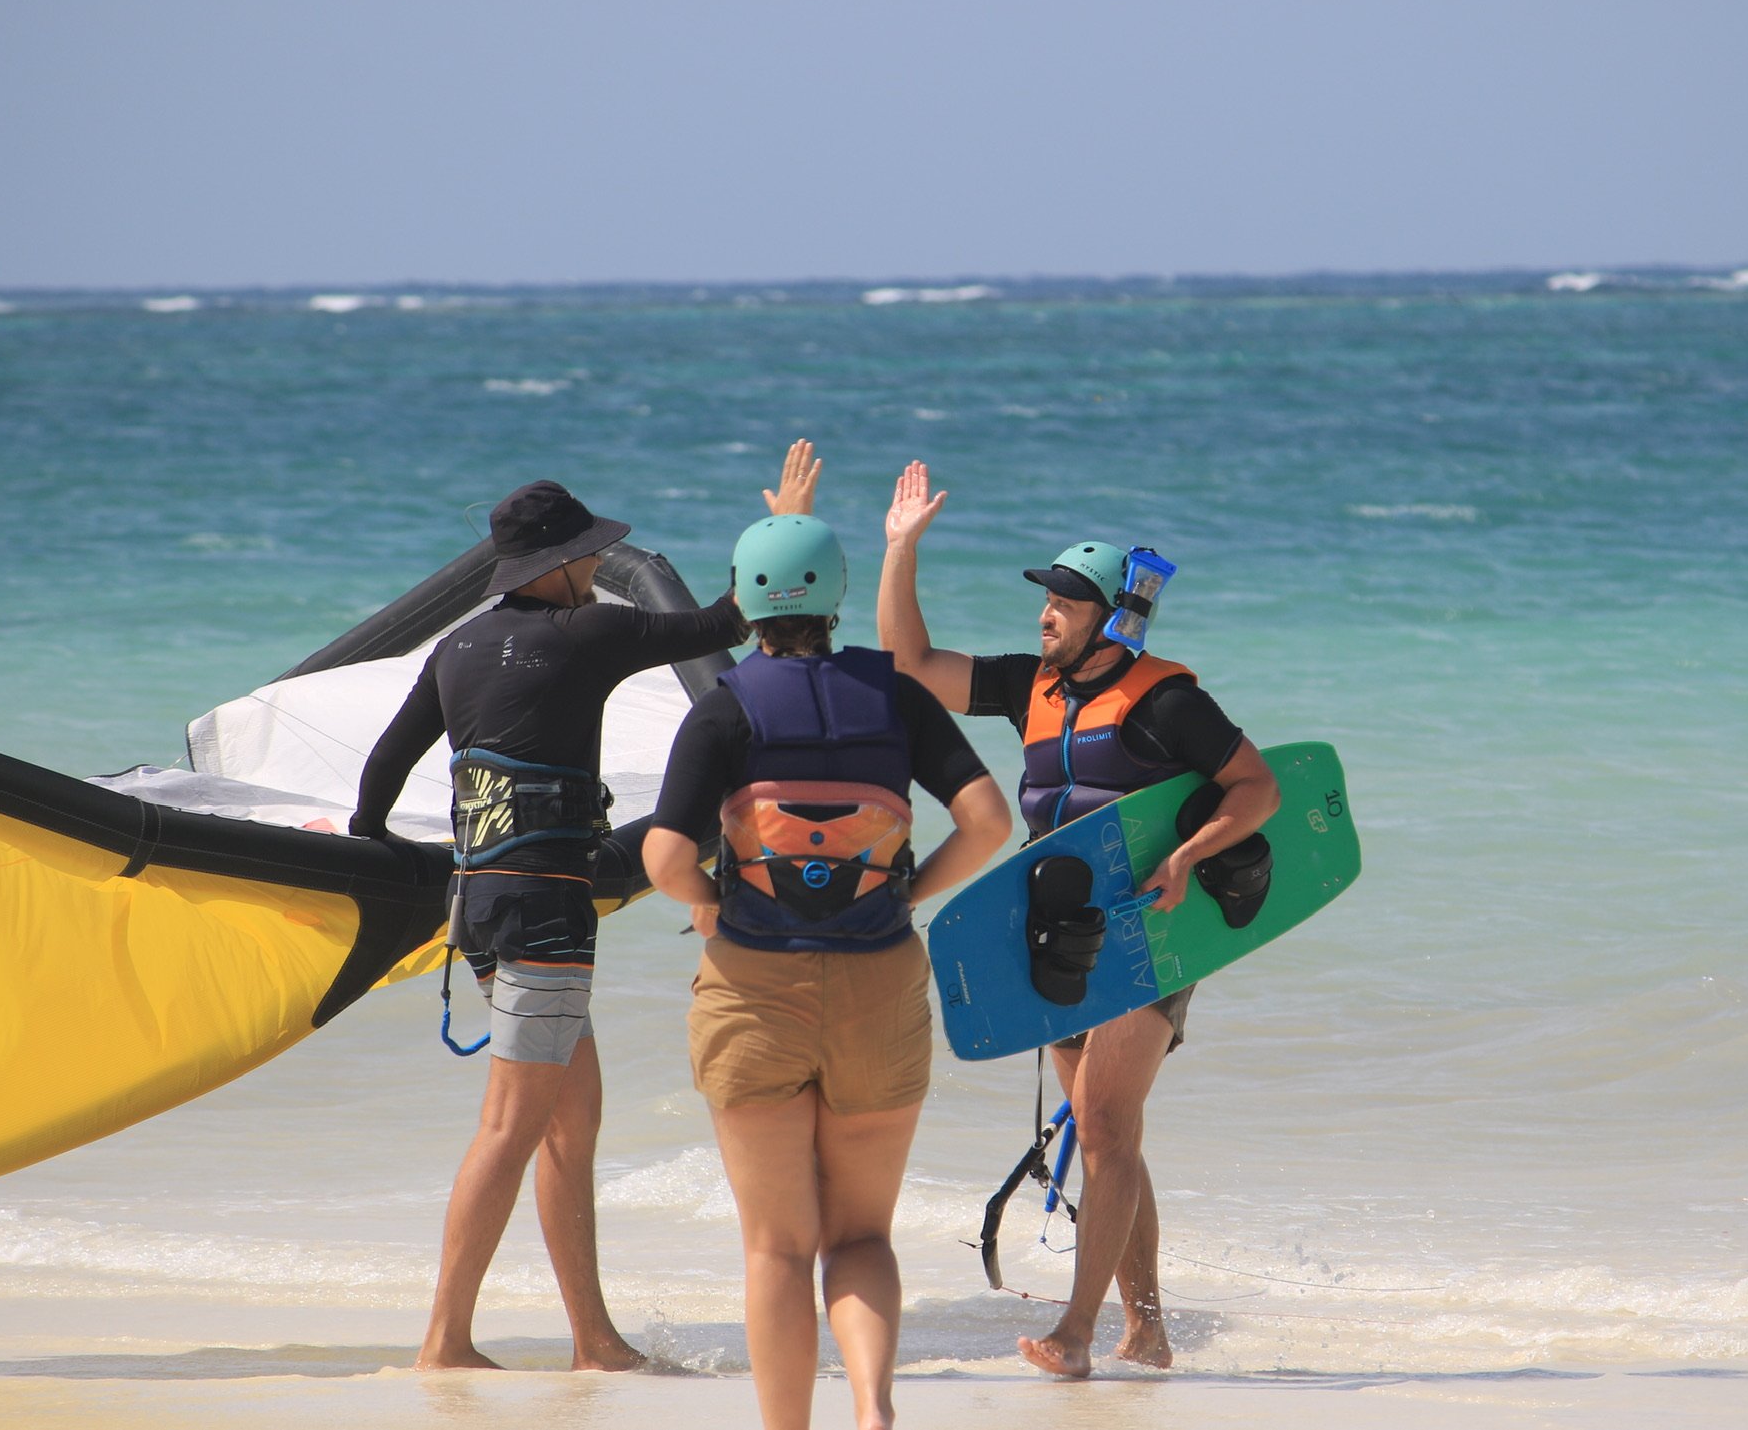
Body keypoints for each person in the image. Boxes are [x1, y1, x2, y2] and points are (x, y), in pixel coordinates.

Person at [351, 455, 803, 1371]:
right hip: (548, 914)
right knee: (513, 1124)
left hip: (478, 907)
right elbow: (724, 619)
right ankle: (443, 1341)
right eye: (588, 555)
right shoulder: (587, 633)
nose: (597, 568)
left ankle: (593, 1339)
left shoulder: (454, 649)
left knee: (570, 1118)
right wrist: (782, 529)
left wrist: (383, 852)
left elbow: (382, 772)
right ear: (556, 563)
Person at [875, 460, 1280, 1379]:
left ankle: (1077, 1329)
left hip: (1152, 929)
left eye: (1065, 599)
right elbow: (909, 664)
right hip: (1059, 932)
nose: (1046, 612)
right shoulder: (1030, 686)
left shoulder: (1168, 700)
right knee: (1107, 1135)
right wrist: (900, 549)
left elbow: (1258, 786)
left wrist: (1184, 857)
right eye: (1046, 597)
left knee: (1102, 1122)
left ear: (1109, 616)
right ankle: (1148, 1328)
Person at [644, 511, 1010, 1430]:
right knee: (860, 1234)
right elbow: (989, 822)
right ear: (837, 594)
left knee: (776, 1248)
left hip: (752, 989)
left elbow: (661, 857)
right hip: (879, 980)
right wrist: (912, 891)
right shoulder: (896, 696)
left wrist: (716, 904)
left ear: (743, 597)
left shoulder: (724, 706)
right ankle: (873, 1407)